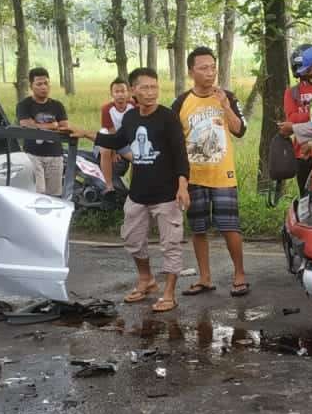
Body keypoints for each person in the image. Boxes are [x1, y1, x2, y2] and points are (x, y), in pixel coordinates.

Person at [71, 68, 190, 313]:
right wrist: (84, 132)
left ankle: (169, 294)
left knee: (171, 245)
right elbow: (115, 142)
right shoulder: (131, 118)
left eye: (154, 87)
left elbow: (180, 154)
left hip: (167, 195)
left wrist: (182, 186)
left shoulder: (168, 118)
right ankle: (146, 280)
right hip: (138, 194)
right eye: (145, 88)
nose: (150, 92)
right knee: (133, 240)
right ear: (133, 90)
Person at [171, 46, 250, 297]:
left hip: (223, 174)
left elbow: (239, 130)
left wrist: (225, 106)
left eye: (213, 67)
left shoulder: (227, 96)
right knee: (198, 228)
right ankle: (204, 278)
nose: (209, 72)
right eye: (203, 68)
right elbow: (174, 141)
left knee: (230, 227)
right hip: (194, 175)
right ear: (191, 71)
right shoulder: (182, 102)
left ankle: (239, 274)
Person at [16, 67, 69, 196]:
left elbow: (64, 127)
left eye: (46, 83)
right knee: (37, 193)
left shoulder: (57, 105)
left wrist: (39, 125)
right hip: (33, 155)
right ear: (31, 86)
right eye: (39, 84)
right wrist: (53, 125)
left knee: (55, 195)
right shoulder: (24, 105)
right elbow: (26, 124)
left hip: (55, 155)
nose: (43, 87)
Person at [283, 45, 312, 194]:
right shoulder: (292, 92)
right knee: (306, 195)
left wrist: (305, 115)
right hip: (302, 154)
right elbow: (292, 118)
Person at [98, 77, 135, 193]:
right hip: (110, 137)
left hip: (126, 139)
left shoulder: (133, 106)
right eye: (117, 92)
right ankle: (109, 186)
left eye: (123, 91)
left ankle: (134, 187)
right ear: (112, 94)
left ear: (128, 92)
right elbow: (111, 132)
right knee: (105, 150)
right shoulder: (106, 109)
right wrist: (114, 152)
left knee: (138, 158)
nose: (120, 95)